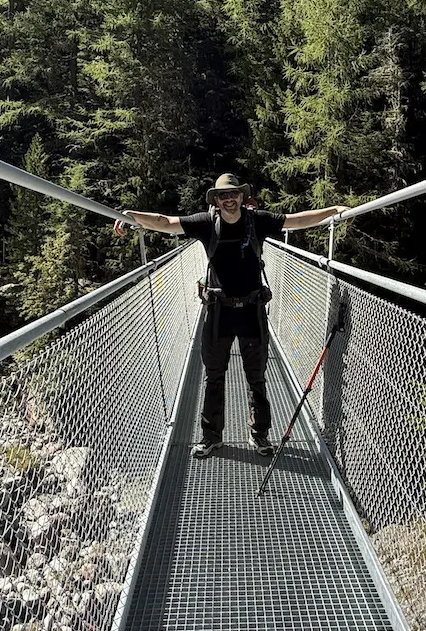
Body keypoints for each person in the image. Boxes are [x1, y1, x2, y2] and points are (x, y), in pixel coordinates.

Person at [117, 174, 349, 459]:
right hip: (218, 312)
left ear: (241, 196)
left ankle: (259, 436)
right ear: (216, 199)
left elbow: (296, 220)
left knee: (257, 378)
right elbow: (165, 223)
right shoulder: (205, 223)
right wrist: (132, 217)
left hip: (252, 312)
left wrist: (332, 211)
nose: (229, 199)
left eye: (233, 194)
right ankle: (211, 438)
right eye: (223, 195)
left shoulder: (257, 221)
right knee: (213, 377)